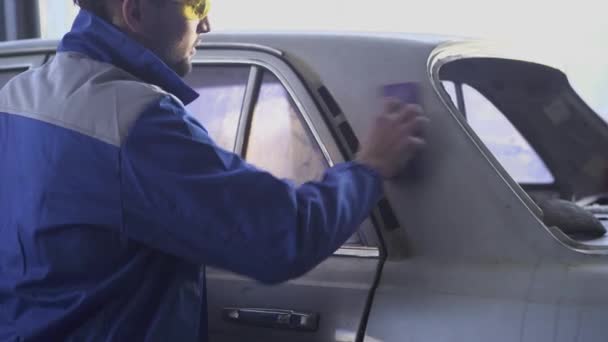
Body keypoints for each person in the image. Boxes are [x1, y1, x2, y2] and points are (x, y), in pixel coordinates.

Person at [0, 0, 429, 340]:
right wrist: (370, 167)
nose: (206, 25)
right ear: (136, 11)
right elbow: (280, 236)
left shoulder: (14, 97)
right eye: (197, 5)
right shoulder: (134, 122)